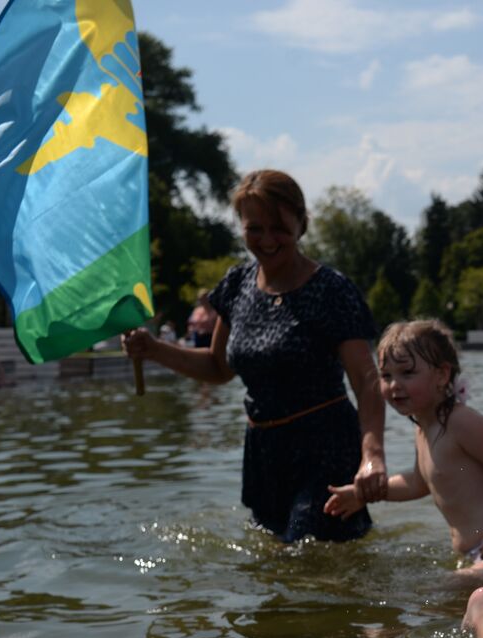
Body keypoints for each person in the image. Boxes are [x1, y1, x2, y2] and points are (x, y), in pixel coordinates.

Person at [122, 169, 387, 542]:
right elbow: (218, 368)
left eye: (278, 227)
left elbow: (366, 380)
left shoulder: (332, 290)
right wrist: (153, 349)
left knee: (307, 556)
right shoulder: (236, 285)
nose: (266, 239)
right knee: (274, 566)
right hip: (263, 454)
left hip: (324, 450)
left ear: (301, 222)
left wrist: (372, 453)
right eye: (254, 228)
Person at [324, 319, 483, 570]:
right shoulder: (423, 428)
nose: (394, 385)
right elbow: (418, 483)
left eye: (407, 373)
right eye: (386, 375)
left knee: (435, 597)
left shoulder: (461, 422)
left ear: (441, 374)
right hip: (477, 555)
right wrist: (364, 494)